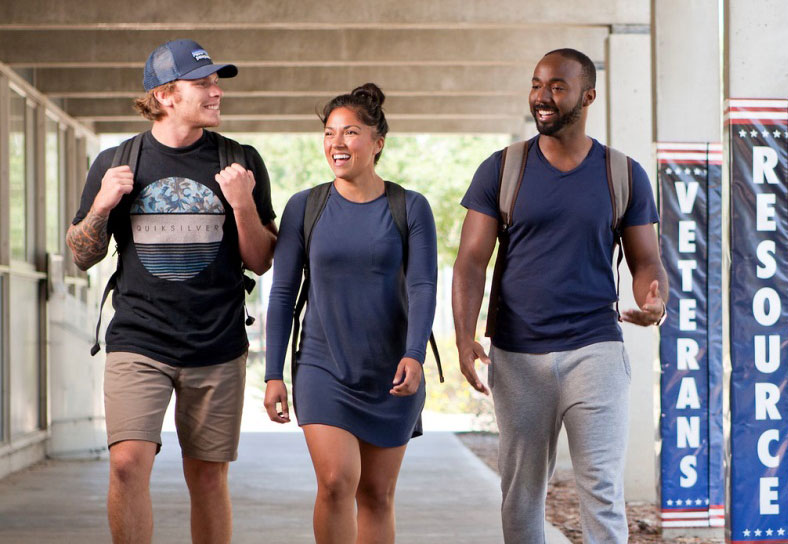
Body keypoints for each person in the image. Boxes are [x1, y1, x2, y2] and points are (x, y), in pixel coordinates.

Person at [64, 39, 276, 544]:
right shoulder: (117, 161)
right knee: (126, 466)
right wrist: (101, 205)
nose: (216, 91)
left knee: (206, 478)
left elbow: (262, 260)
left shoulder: (240, 160)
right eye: (202, 83)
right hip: (140, 339)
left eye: (216, 81)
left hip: (218, 343)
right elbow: (81, 253)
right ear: (165, 96)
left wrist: (242, 205)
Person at [452, 48, 668, 544]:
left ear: (588, 95)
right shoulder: (502, 169)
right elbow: (470, 262)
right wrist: (465, 339)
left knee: (600, 488)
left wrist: (654, 300)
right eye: (536, 84)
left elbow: (646, 260)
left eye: (556, 86)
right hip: (517, 353)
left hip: (595, 348)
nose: (542, 97)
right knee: (522, 492)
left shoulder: (622, 173)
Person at [263, 83, 437, 544]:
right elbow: (282, 293)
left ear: (378, 143)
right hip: (323, 366)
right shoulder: (305, 206)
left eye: (351, 132)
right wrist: (273, 373)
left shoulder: (410, 207)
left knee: (377, 495)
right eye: (329, 133)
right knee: (337, 481)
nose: (337, 143)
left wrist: (415, 354)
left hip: (391, 371)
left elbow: (423, 287)